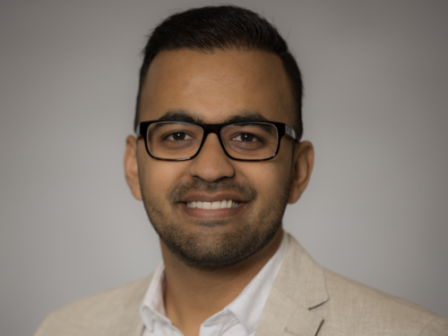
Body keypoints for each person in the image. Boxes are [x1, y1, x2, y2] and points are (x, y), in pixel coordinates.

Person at [34, 5, 448, 336]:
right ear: (132, 166)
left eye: (248, 137)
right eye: (177, 136)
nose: (211, 168)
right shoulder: (63, 329)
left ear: (299, 171)